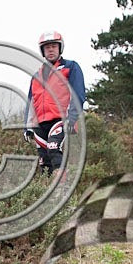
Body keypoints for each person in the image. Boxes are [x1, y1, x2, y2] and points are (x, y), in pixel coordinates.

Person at [24, 31, 86, 177]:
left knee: (53, 148)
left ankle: (62, 190)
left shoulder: (70, 67)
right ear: (43, 51)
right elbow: (30, 101)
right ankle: (49, 192)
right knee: (44, 161)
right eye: (47, 47)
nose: (50, 50)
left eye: (53, 46)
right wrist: (27, 127)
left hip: (61, 119)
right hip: (39, 123)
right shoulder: (36, 75)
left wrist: (72, 118)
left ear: (60, 48)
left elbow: (78, 94)